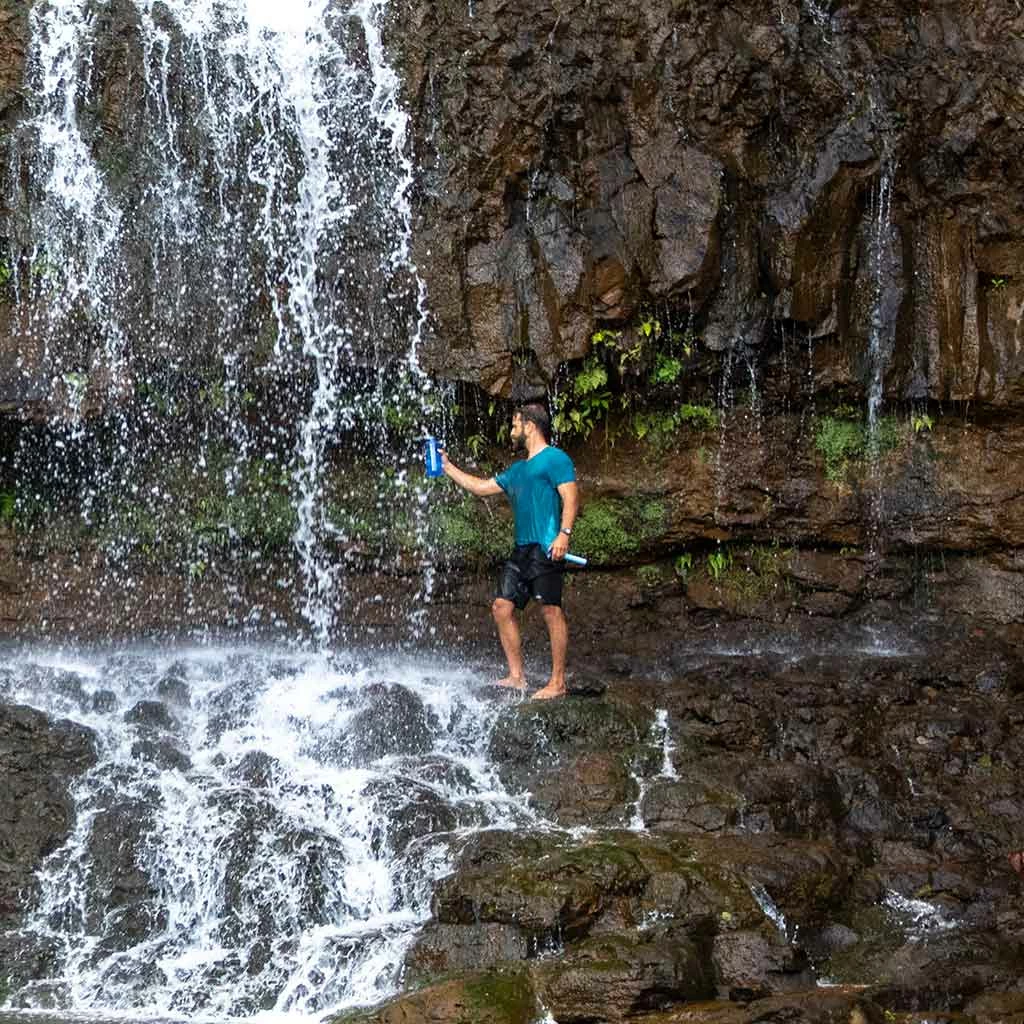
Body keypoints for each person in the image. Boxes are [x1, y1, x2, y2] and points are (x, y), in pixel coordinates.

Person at [440, 403, 578, 700]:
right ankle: (517, 676)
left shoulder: (556, 459)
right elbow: (480, 487)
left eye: (516, 423)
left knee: (551, 610)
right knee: (502, 607)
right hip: (522, 550)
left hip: (546, 545)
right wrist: (447, 467)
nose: (512, 428)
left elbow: (570, 498)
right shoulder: (517, 470)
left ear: (530, 425)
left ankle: (557, 682)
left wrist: (564, 534)